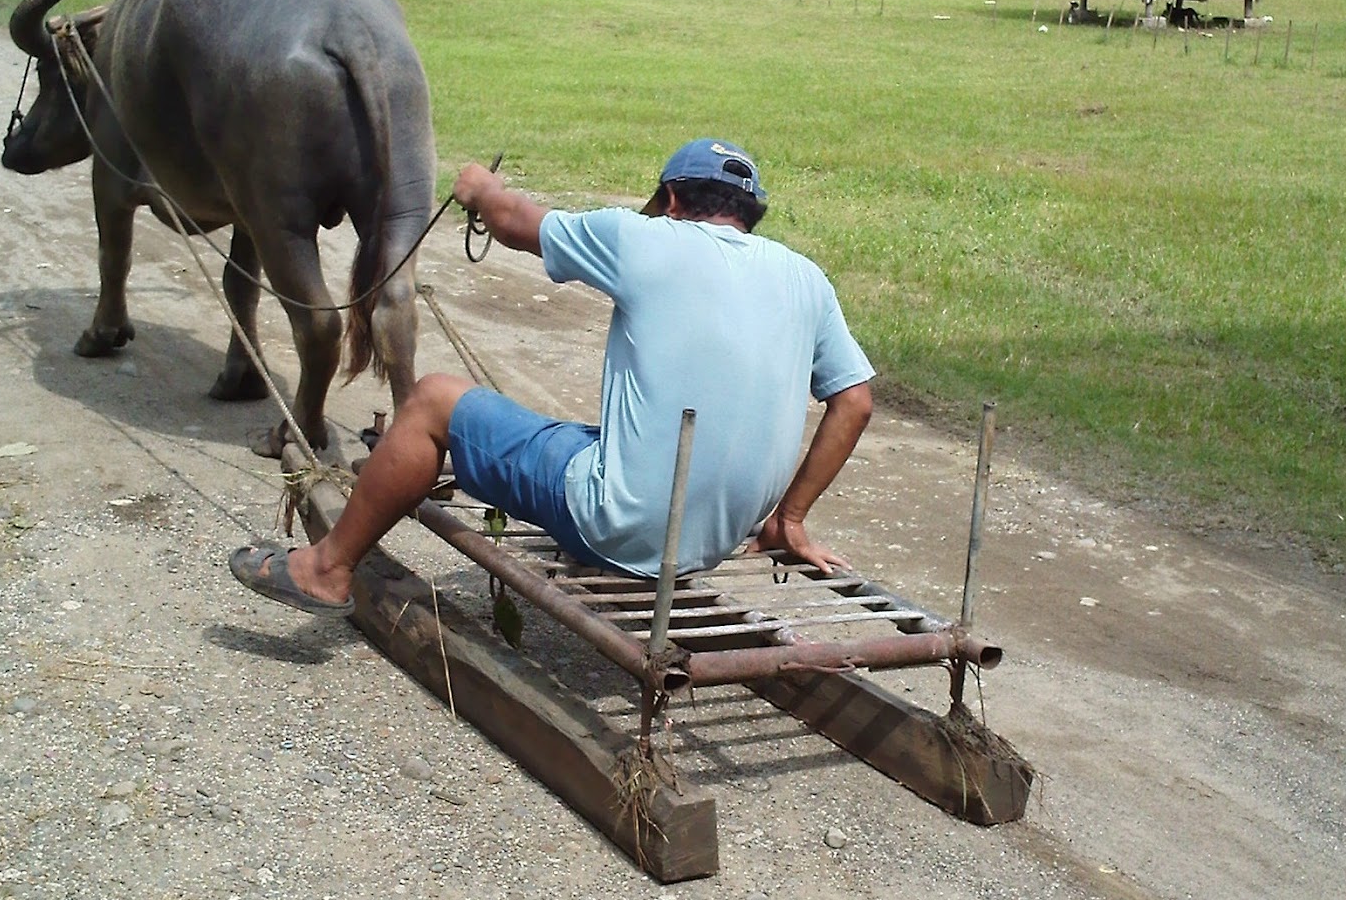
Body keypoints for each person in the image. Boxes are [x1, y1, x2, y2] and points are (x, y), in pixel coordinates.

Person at [230, 138, 874, 612]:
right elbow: (855, 403)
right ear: (748, 213)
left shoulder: (645, 238)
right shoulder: (806, 278)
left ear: (671, 200)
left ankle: (326, 568)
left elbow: (513, 221)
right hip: (712, 538)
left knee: (431, 401)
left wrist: (479, 188)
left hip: (622, 524)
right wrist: (788, 518)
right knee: (597, 432)